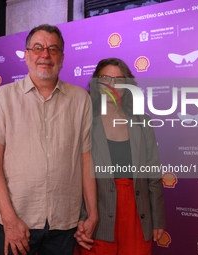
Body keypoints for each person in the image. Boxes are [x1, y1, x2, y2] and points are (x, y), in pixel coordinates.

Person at [0, 24, 98, 255]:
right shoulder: (4, 97)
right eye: (38, 48)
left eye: (53, 49)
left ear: (62, 57)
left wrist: (92, 214)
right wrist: (10, 221)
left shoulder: (81, 100)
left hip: (65, 222)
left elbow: (86, 160)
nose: (45, 55)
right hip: (17, 221)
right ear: (26, 55)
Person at [75, 58, 165, 255]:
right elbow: (76, 176)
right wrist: (82, 216)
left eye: (119, 80)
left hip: (137, 213)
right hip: (97, 214)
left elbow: (153, 175)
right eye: (105, 78)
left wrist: (157, 219)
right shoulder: (85, 122)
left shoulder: (142, 121)